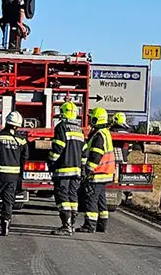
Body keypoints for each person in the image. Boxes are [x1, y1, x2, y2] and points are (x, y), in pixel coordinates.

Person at [48, 101, 85, 236]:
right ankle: (71, 224)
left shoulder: (61, 127)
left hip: (63, 169)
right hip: (76, 170)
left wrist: (51, 161)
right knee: (72, 195)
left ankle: (66, 226)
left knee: (62, 196)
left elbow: (58, 147)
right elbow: (85, 151)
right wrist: (82, 168)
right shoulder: (79, 130)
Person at [77, 107, 115, 233]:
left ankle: (90, 225)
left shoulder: (99, 135)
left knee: (91, 199)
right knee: (101, 200)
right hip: (105, 173)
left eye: (91, 118)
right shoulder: (105, 133)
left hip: (97, 173)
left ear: (96, 119)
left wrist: (87, 171)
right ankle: (102, 225)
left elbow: (95, 156)